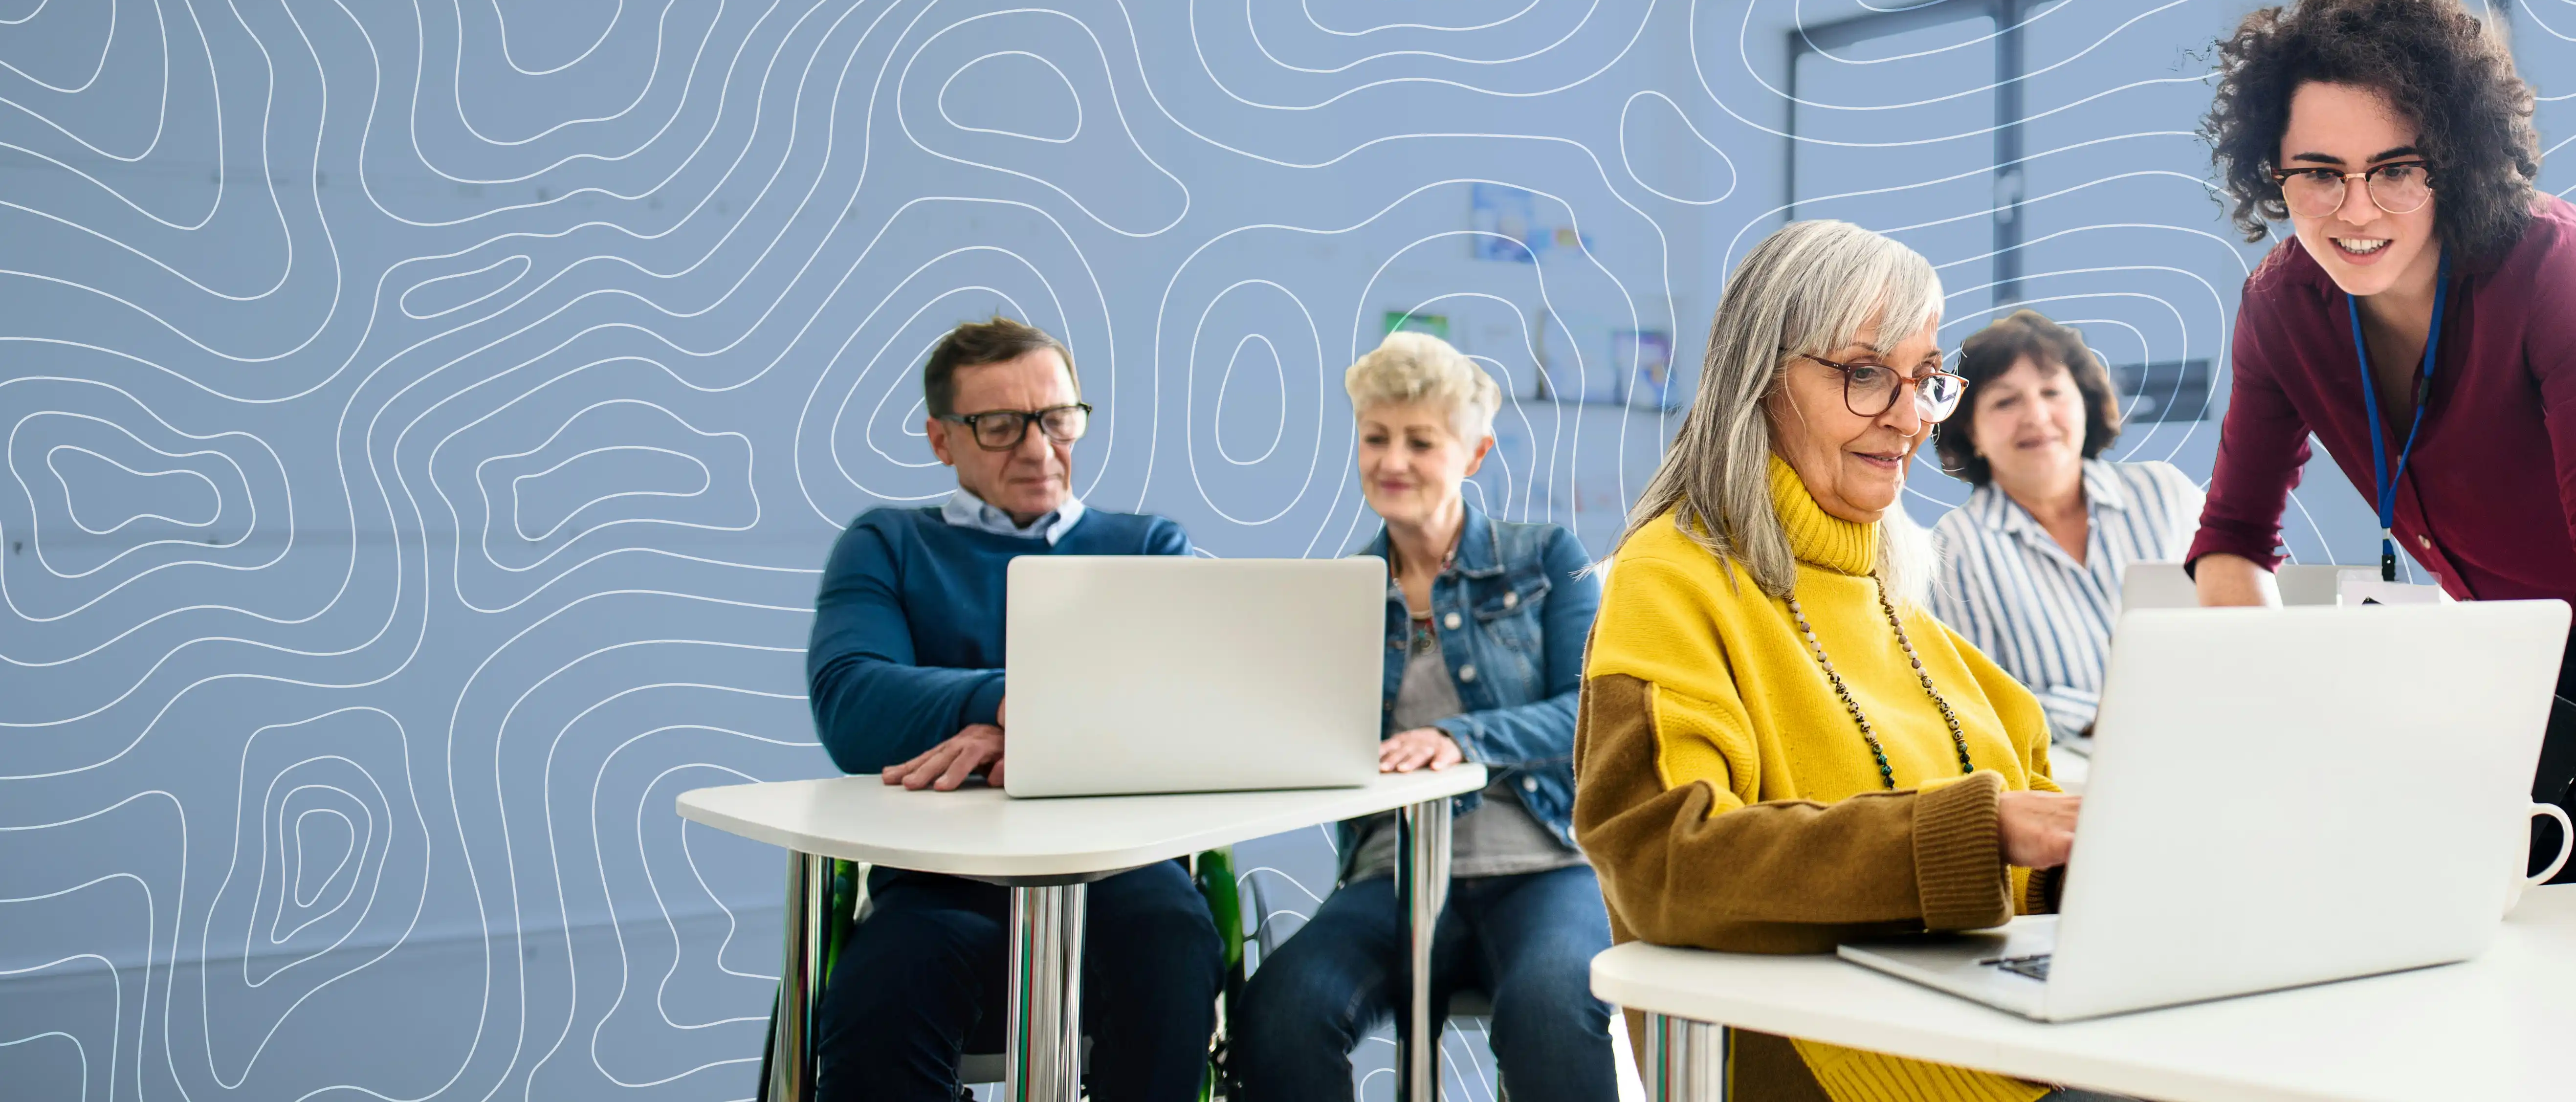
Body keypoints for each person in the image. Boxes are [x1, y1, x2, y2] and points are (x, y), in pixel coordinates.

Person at [2185, 0, 2576, 941]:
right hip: (2531, 625)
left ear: (2456, 157)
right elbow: (2231, 541)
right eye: (2317, 171)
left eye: (2396, 167)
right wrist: (2284, 733)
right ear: (2272, 170)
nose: (2355, 209)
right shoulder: (2279, 307)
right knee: (2523, 913)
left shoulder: (2551, 262)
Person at [1575, 219, 2127, 1102]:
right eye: (1867, 374)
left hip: (2000, 1043)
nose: (1910, 418)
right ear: (1760, 376)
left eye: (1926, 379)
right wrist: (1981, 830)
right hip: (1848, 1067)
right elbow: (1664, 864)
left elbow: (2022, 867)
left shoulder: (1897, 601)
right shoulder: (1667, 579)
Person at [803, 317, 1223, 1101]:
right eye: (1000, 426)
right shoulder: (887, 544)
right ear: (941, 439)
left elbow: (1176, 710)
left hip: (1119, 867)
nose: (1038, 449)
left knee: (1172, 942)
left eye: (1058, 419)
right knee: (882, 999)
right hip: (940, 877)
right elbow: (851, 699)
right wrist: (1010, 702)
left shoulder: (1149, 549)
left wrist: (1006, 723)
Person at [1232, 331, 1615, 1100]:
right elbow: (1309, 745)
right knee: (1279, 1011)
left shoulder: (1545, 558)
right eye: (1375, 438)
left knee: (1550, 1010)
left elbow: (1589, 715)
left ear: (1474, 455)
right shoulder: (1343, 592)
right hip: (1393, 877)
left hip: (1543, 865)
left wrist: (1458, 737)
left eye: (1420, 441)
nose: (1392, 461)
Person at [1929, 309, 2202, 738]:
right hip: (2063, 785)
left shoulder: (2165, 494)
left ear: (2086, 404)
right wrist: (2109, 717)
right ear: (1970, 432)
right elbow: (1978, 706)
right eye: (2005, 401)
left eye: (2052, 391)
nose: (2036, 415)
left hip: (2207, 742)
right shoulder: (1955, 547)